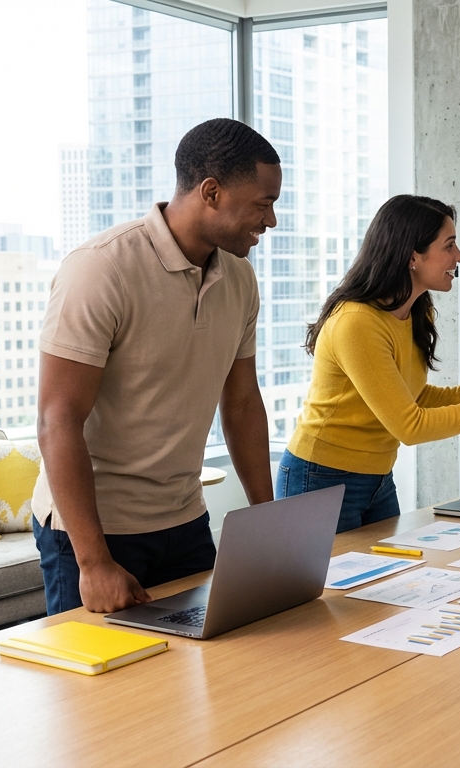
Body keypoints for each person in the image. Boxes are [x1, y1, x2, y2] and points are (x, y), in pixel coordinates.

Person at [33, 118, 278, 615]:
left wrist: (269, 520)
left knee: (215, 668)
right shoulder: (101, 268)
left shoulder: (240, 280)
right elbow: (57, 419)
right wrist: (94, 563)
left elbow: (243, 402)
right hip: (95, 530)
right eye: (263, 203)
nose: (270, 220)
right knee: (104, 691)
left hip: (185, 519)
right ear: (211, 191)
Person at [279, 195, 460, 533]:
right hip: (321, 477)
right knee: (331, 588)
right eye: (449, 245)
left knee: (382, 583)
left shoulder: (416, 311)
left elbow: (415, 396)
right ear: (412, 256)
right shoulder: (356, 323)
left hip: (376, 478)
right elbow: (410, 426)